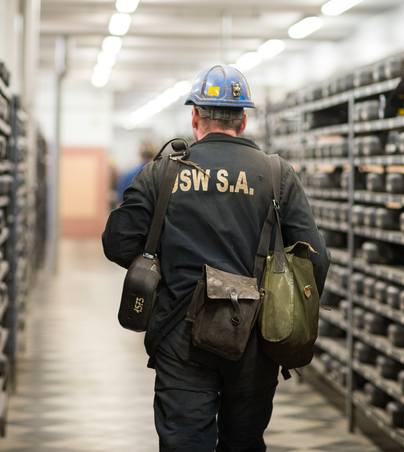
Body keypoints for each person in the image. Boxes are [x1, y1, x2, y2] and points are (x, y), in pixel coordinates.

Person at [102, 65, 330, 452]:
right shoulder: (277, 175)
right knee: (244, 442)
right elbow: (316, 259)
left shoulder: (164, 170)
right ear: (242, 120)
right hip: (256, 338)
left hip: (180, 334)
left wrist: (165, 265)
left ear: (195, 117)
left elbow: (117, 242)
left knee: (184, 442)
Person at [116, 140, 157, 204]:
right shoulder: (161, 175)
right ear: (155, 154)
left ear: (140, 154)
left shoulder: (127, 176)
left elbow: (120, 204)